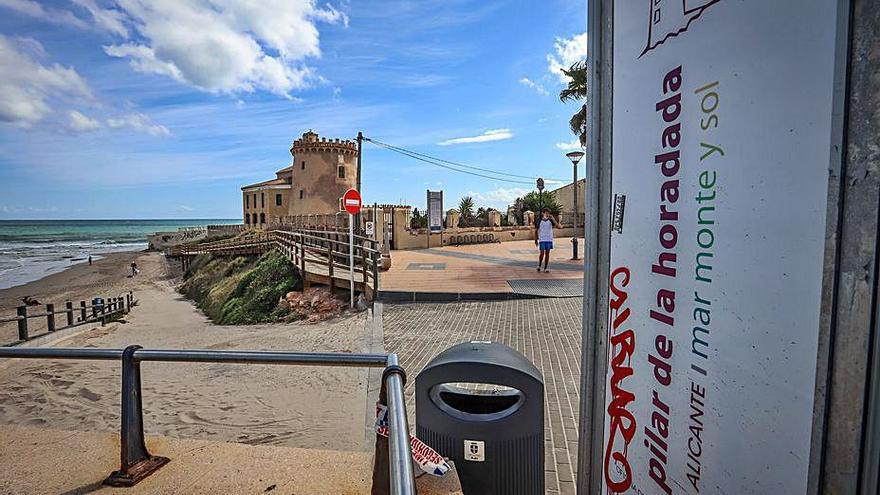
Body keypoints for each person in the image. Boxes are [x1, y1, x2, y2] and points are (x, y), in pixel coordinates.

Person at [535, 207, 560, 273]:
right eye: (546, 213)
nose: (547, 214)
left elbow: (558, 227)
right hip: (542, 239)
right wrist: (535, 240)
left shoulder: (551, 220)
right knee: (542, 253)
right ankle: (539, 265)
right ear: (543, 213)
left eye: (548, 213)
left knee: (547, 253)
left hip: (549, 239)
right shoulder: (539, 220)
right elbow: (536, 230)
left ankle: (545, 268)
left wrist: (553, 219)